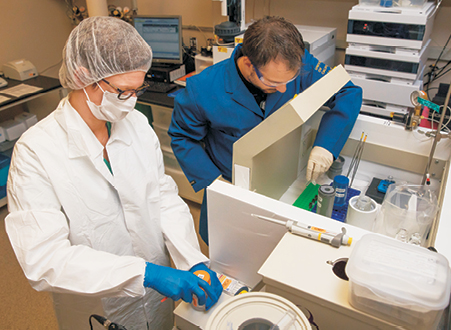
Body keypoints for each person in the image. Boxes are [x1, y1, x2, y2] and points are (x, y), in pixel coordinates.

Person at [5, 16, 222, 330]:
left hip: (157, 298)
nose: (132, 102)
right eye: (123, 91)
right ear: (83, 77)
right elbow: (44, 260)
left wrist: (193, 260)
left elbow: (161, 196)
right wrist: (144, 274)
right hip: (97, 306)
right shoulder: (35, 153)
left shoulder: (136, 125)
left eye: (138, 89)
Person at [168, 16, 362, 244]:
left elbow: (348, 92)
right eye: (272, 83)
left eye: (290, 81)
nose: (283, 89)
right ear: (249, 64)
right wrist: (215, 182)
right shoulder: (203, 88)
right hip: (231, 187)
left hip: (282, 181)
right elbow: (182, 137)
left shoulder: (296, 63)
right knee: (230, 256)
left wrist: (326, 146)